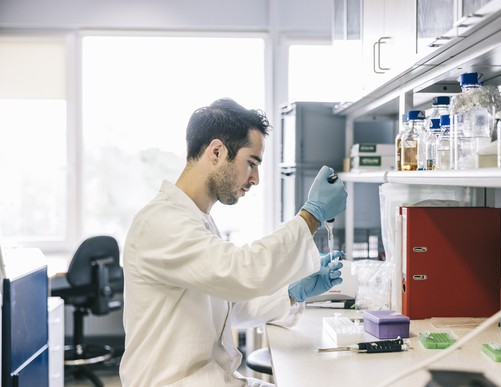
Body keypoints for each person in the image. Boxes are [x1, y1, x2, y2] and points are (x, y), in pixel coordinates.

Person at [119, 98, 348, 387]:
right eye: (251, 163)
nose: (256, 179)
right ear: (216, 151)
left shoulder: (196, 219)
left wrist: (291, 292)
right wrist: (311, 216)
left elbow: (226, 304)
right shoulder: (162, 222)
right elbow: (241, 271)